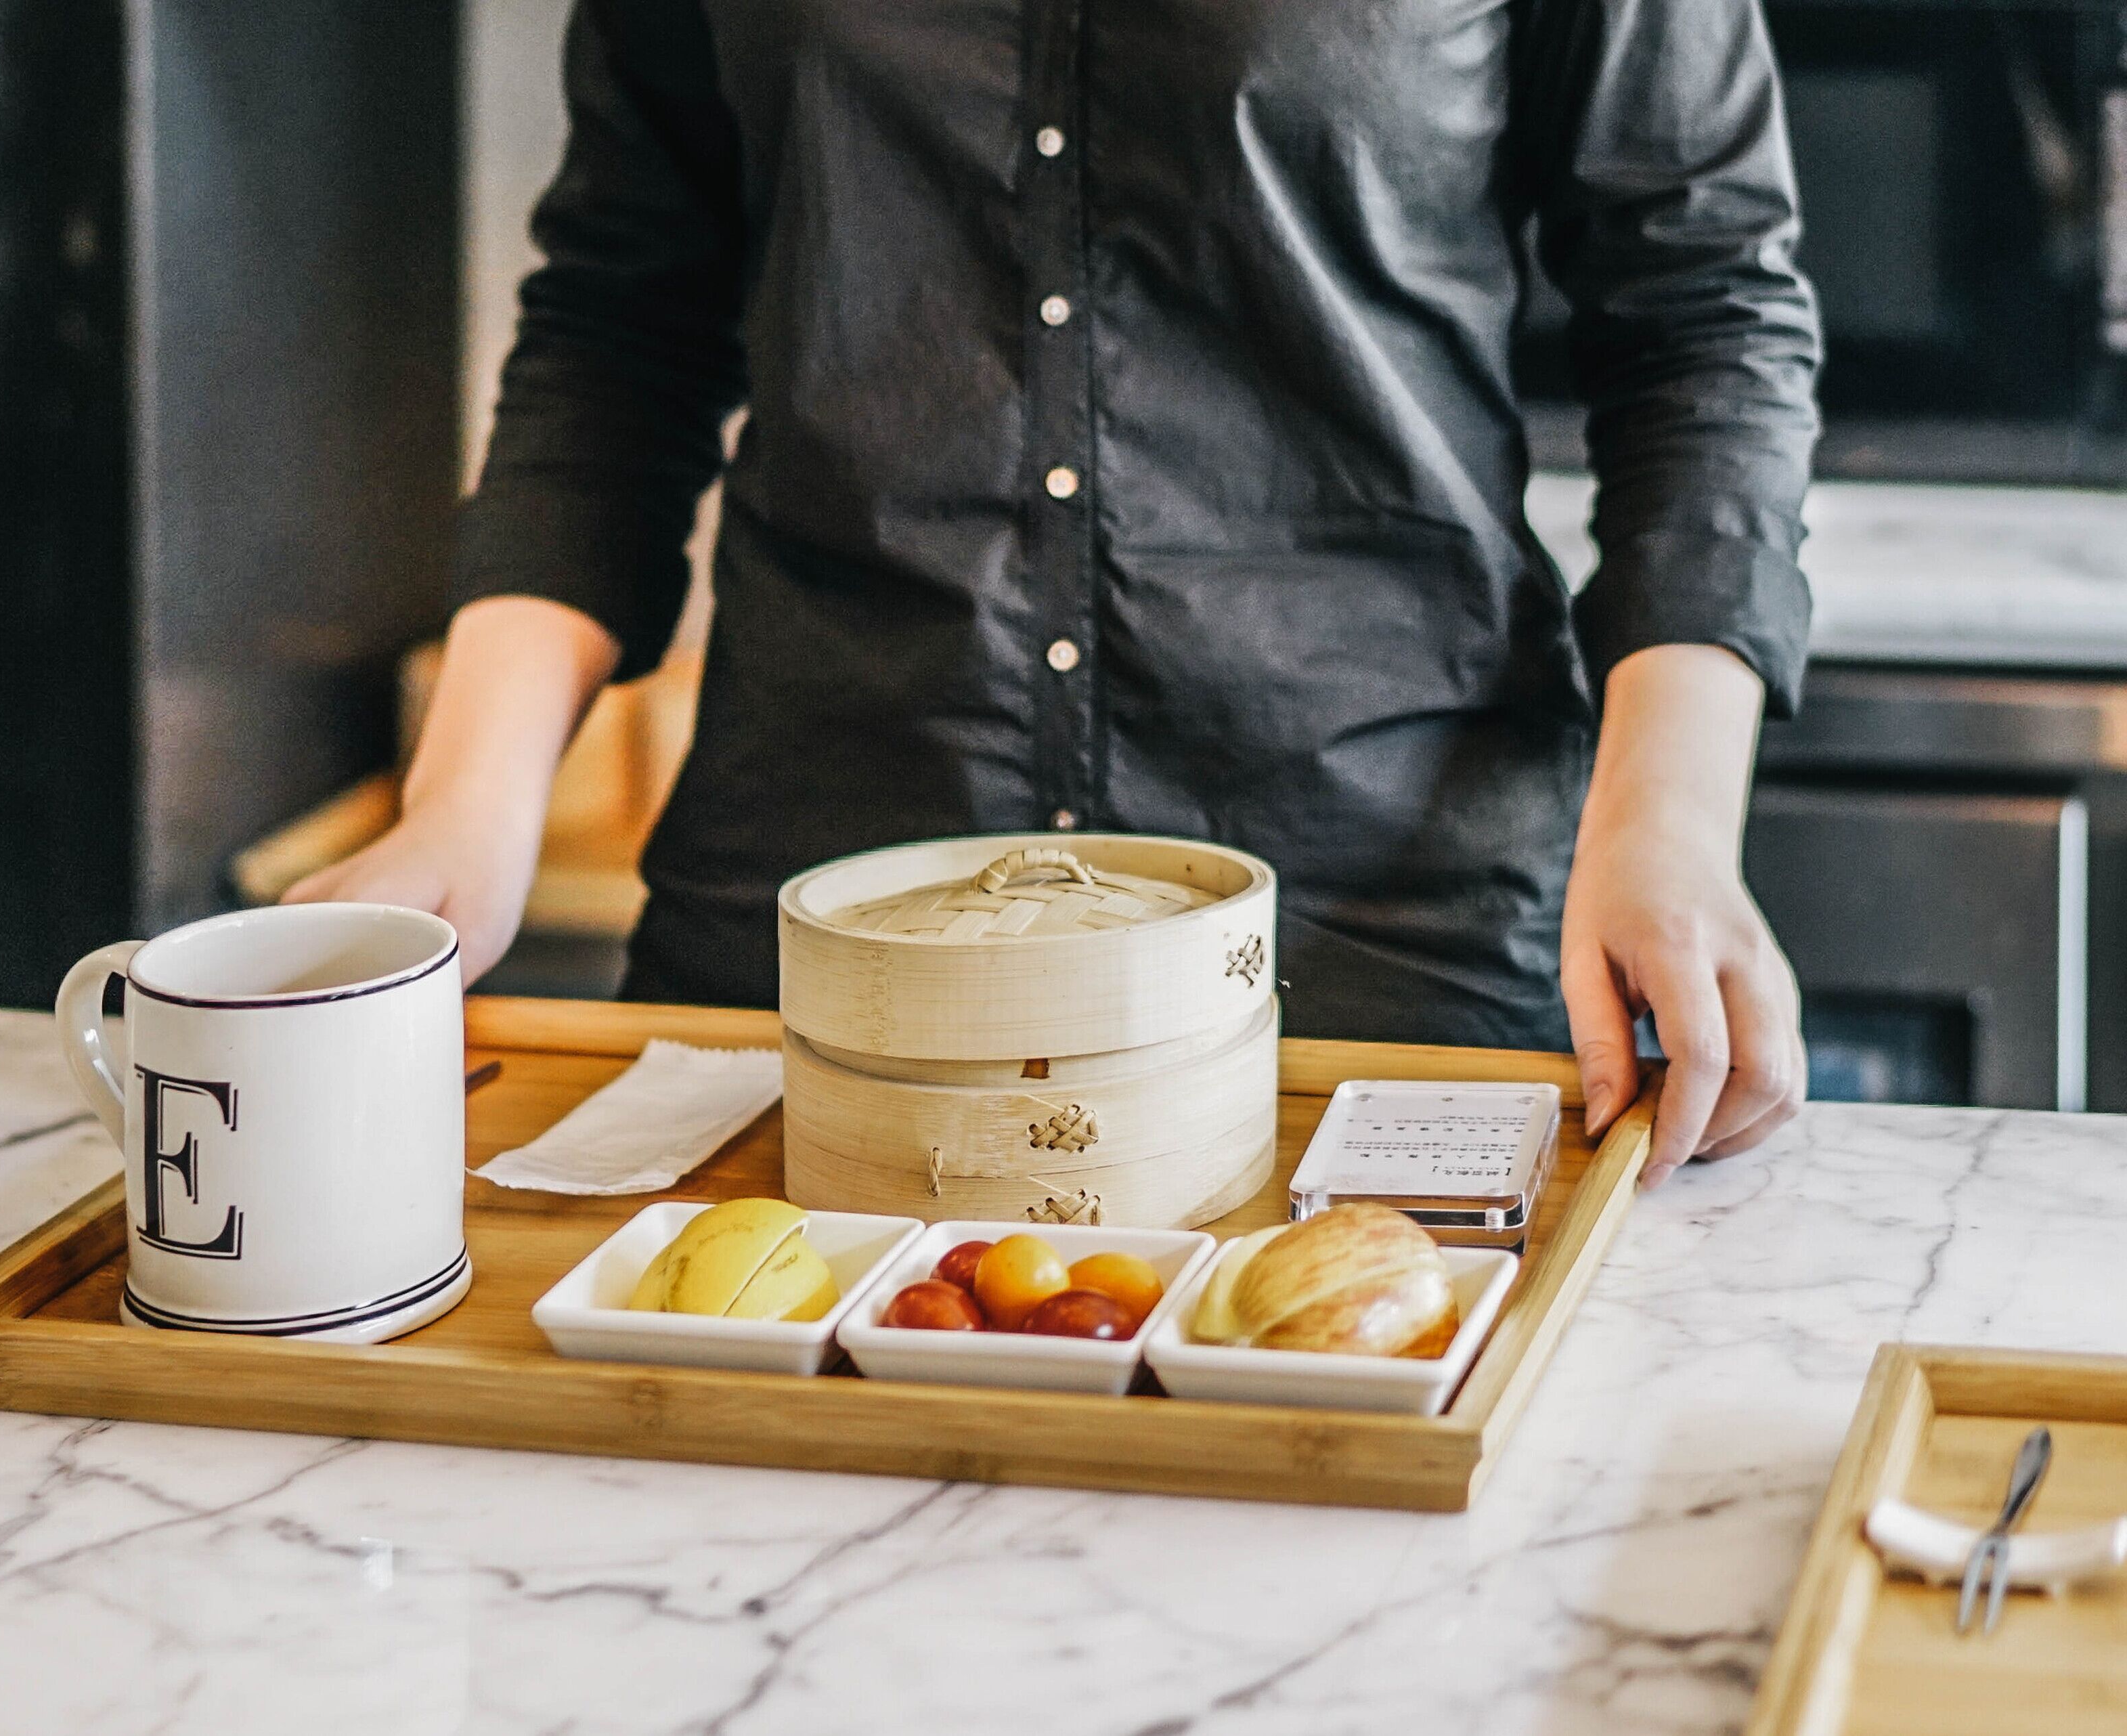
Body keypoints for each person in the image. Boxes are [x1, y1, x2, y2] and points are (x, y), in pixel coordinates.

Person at [290, 0, 1817, 1188]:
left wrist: (1668, 823)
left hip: (1381, 936)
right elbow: (620, 325)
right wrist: (469, 808)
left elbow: (1704, 318)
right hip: (818, 930)